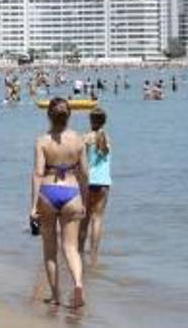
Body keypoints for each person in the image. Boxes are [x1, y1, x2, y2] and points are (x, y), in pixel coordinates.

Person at [29, 98, 87, 309]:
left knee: (50, 249)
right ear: (69, 115)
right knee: (71, 248)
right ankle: (78, 284)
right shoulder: (79, 140)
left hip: (48, 191)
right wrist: (85, 200)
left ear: (49, 115)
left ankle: (55, 296)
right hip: (72, 191)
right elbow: (85, 173)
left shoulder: (42, 141)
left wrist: (33, 206)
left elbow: (37, 173)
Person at [81, 108, 111, 267]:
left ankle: (79, 251)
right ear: (104, 121)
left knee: (85, 218)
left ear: (91, 121)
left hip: (88, 181)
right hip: (104, 182)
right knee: (97, 219)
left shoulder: (85, 137)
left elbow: (81, 160)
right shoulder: (107, 138)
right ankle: (94, 256)